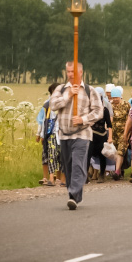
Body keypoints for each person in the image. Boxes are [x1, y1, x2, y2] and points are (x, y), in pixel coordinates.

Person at [50, 61, 102, 210]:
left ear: (81, 72)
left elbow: (98, 111)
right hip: (65, 135)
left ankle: (73, 196)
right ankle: (75, 194)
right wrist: (68, 96)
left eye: (73, 72)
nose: (70, 75)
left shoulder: (89, 90)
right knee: (68, 167)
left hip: (82, 134)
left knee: (78, 164)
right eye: (68, 72)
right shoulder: (60, 89)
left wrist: (83, 119)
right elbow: (53, 106)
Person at [36, 82, 63, 187]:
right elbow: (42, 120)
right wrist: (40, 134)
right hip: (51, 133)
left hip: (62, 133)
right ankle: (51, 177)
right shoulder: (47, 104)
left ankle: (59, 178)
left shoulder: (65, 102)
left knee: (61, 156)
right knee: (51, 154)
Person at [88, 87, 113, 183]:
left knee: (102, 156)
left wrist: (110, 137)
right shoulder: (90, 110)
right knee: (88, 155)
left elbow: (109, 125)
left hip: (102, 136)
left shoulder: (105, 110)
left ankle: (102, 174)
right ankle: (85, 175)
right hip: (91, 136)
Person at [110, 87, 131, 180]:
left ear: (120, 97)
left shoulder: (126, 105)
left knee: (120, 152)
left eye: (116, 97)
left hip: (123, 132)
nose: (115, 99)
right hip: (113, 133)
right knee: (114, 153)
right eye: (113, 97)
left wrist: (127, 133)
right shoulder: (110, 105)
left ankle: (117, 171)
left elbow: (129, 120)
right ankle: (118, 171)